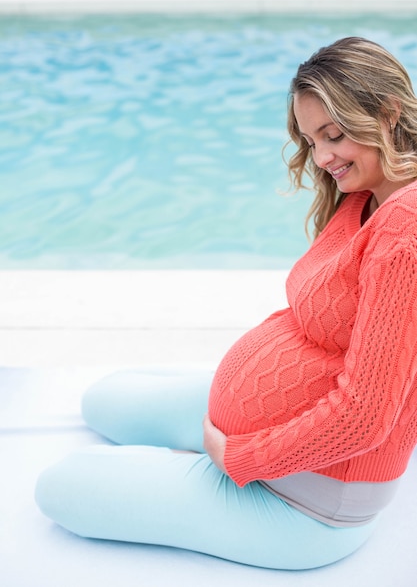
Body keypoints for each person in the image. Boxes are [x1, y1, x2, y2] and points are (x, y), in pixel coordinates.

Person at [35, 37, 417, 570]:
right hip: (257, 424)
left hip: (309, 500)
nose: (323, 158)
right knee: (102, 400)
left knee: (60, 488)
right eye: (311, 141)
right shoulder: (366, 195)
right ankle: (188, 455)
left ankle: (194, 468)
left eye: (334, 135)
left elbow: (365, 417)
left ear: (389, 112)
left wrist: (240, 457)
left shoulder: (406, 228)